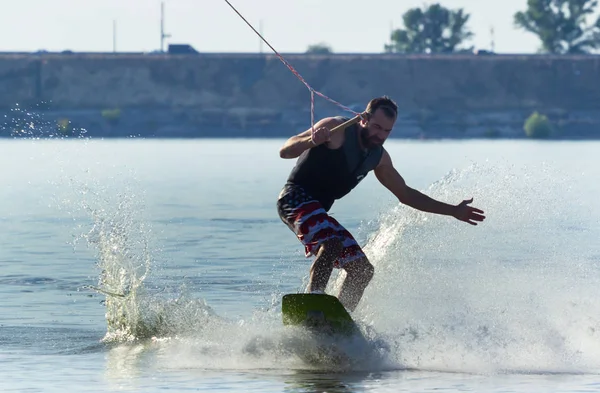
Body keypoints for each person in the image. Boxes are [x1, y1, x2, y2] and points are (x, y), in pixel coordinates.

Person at [276, 96, 486, 312]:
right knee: (330, 242)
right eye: (376, 127)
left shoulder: (378, 158)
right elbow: (286, 150)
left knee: (362, 270)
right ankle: (314, 302)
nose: (380, 135)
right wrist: (311, 141)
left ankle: (338, 322)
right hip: (295, 198)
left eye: (386, 131)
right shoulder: (337, 129)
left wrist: (453, 211)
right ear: (363, 119)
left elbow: (406, 194)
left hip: (318, 211)